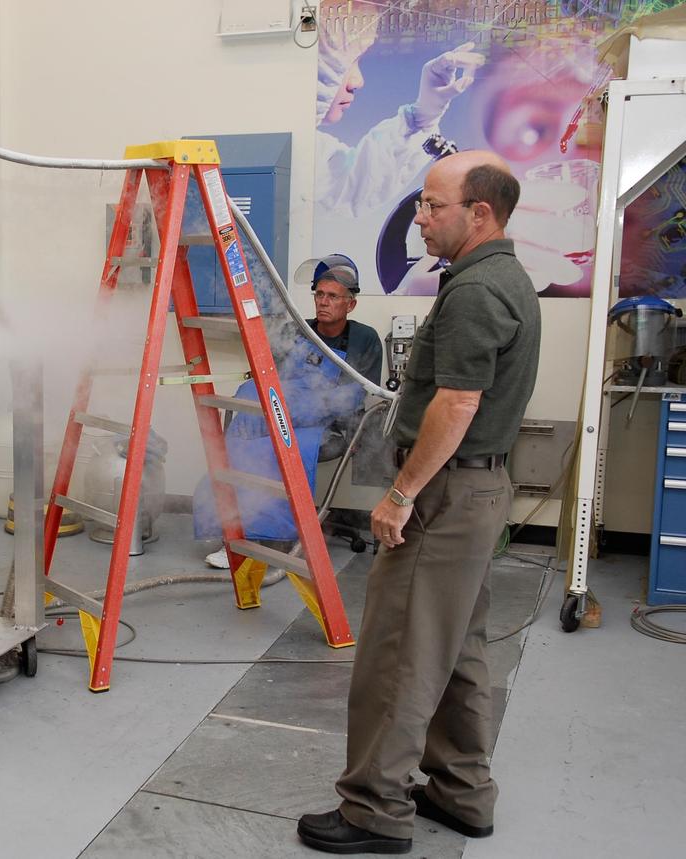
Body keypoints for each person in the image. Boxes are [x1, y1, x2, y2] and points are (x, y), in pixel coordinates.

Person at [296, 152, 541, 854]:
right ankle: (462, 790)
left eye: (433, 205)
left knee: (400, 649)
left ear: (480, 212)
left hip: (445, 493)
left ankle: (375, 807)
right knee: (457, 645)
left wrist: (401, 493)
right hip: (479, 490)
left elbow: (458, 402)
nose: (420, 217)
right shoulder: (503, 278)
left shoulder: (474, 291)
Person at [201, 254, 382, 569]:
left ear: (350, 305)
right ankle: (233, 534)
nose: (324, 302)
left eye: (333, 297)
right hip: (280, 416)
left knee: (277, 446)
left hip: (327, 427)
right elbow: (269, 380)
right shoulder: (299, 331)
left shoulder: (363, 339)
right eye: (319, 295)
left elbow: (352, 397)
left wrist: (289, 414)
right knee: (239, 445)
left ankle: (272, 538)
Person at [316, 19, 484, 218]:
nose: (357, 82)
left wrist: (422, 117)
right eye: (344, 62)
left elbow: (353, 186)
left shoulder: (313, 153)